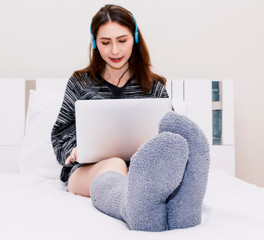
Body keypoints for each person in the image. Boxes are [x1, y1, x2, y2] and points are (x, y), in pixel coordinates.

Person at [51, 4, 210, 232]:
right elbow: (59, 135)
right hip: (87, 171)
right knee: (115, 164)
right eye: (105, 42)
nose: (114, 50)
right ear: (95, 43)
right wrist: (73, 150)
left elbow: (167, 137)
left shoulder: (153, 85)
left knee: (173, 137)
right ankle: (134, 205)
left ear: (134, 38)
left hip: (141, 170)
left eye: (122, 40)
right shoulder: (80, 83)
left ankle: (169, 201)